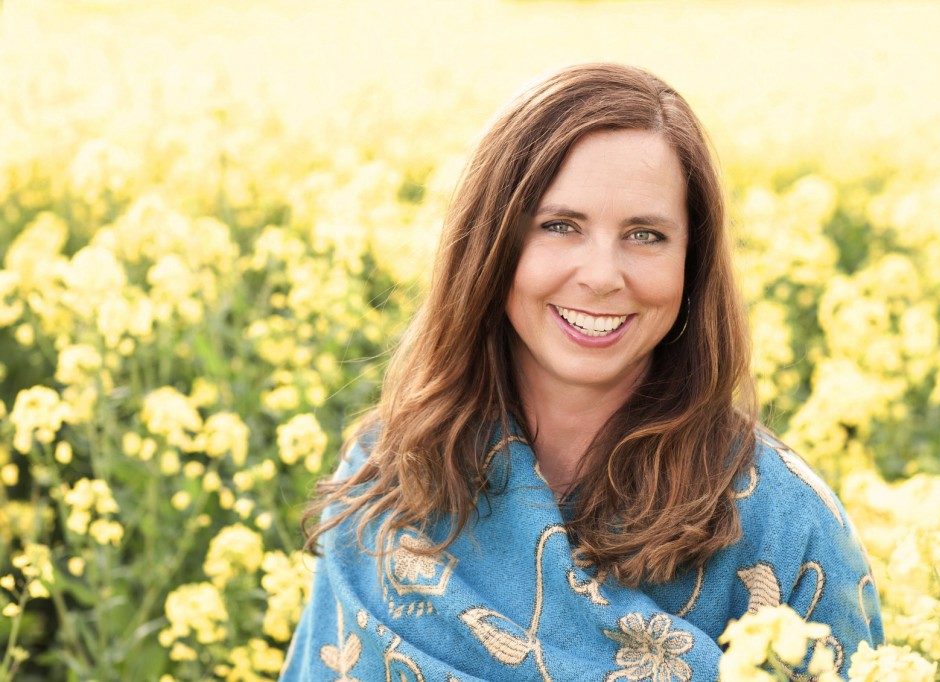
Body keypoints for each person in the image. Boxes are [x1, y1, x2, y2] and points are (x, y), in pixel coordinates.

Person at [281, 62, 884, 681]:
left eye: (646, 235)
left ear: (692, 264)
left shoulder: (784, 527)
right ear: (490, 245)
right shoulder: (392, 471)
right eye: (560, 226)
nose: (602, 275)